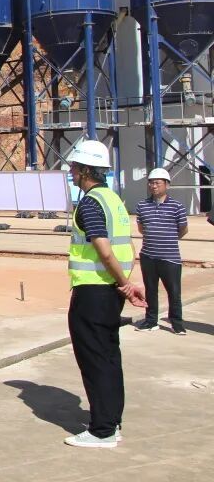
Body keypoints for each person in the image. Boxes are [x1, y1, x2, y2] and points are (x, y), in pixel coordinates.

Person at [63, 139, 145, 448]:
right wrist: (127, 284)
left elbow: (105, 250)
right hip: (110, 292)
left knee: (95, 359)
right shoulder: (114, 200)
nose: (71, 173)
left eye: (74, 167)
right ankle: (111, 421)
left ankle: (103, 431)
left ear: (86, 170)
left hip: (93, 292)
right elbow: (128, 247)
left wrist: (125, 283)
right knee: (108, 357)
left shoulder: (90, 203)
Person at [134, 167, 187, 334]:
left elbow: (183, 230)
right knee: (150, 290)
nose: (153, 186)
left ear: (167, 185)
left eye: (157, 183)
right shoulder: (142, 206)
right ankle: (151, 321)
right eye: (151, 183)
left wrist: (167, 239)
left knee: (174, 292)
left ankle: (177, 324)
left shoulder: (177, 207)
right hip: (148, 256)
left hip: (170, 258)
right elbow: (141, 228)